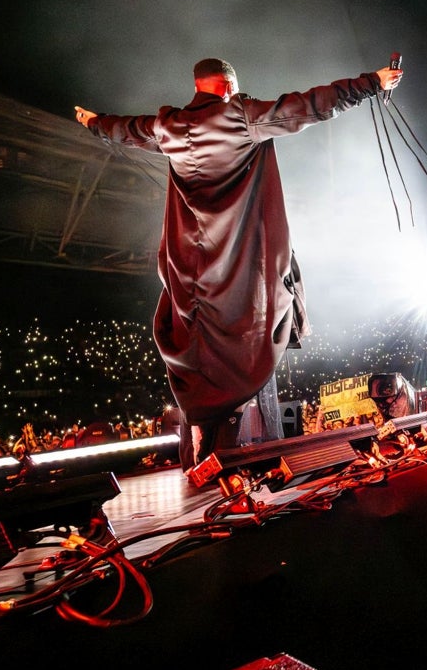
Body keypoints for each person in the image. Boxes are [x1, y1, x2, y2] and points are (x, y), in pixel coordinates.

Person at [75, 58, 402, 467]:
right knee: (263, 317)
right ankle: (233, 435)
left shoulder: (168, 126)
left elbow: (126, 130)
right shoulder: (241, 118)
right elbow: (310, 105)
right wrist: (372, 82)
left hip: (194, 264)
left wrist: (93, 122)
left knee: (202, 344)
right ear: (228, 85)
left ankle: (203, 430)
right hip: (240, 258)